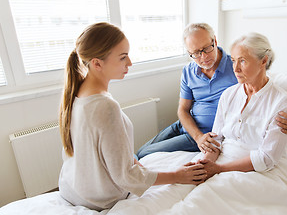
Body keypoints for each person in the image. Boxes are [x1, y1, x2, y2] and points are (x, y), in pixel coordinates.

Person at [58, 22, 206, 211]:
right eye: (123, 57)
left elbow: (99, 150)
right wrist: (177, 175)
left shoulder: (76, 94)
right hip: (98, 198)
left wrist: (131, 161)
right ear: (97, 63)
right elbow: (126, 177)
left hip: (71, 188)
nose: (129, 63)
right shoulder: (105, 106)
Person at [136, 23, 287, 159]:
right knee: (138, 153)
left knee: (144, 156)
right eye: (196, 53)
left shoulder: (236, 66)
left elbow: (264, 89)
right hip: (187, 126)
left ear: (215, 41)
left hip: (207, 134)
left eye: (207, 48)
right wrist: (196, 136)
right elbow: (183, 109)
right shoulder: (188, 71)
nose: (203, 57)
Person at [199, 32, 287, 177]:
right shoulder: (228, 94)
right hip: (219, 162)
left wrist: (219, 169)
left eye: (243, 61)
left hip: (257, 172)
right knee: (180, 185)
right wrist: (205, 166)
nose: (235, 68)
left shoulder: (282, 103)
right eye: (233, 60)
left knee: (201, 197)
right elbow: (216, 139)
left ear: (263, 61)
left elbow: (266, 159)